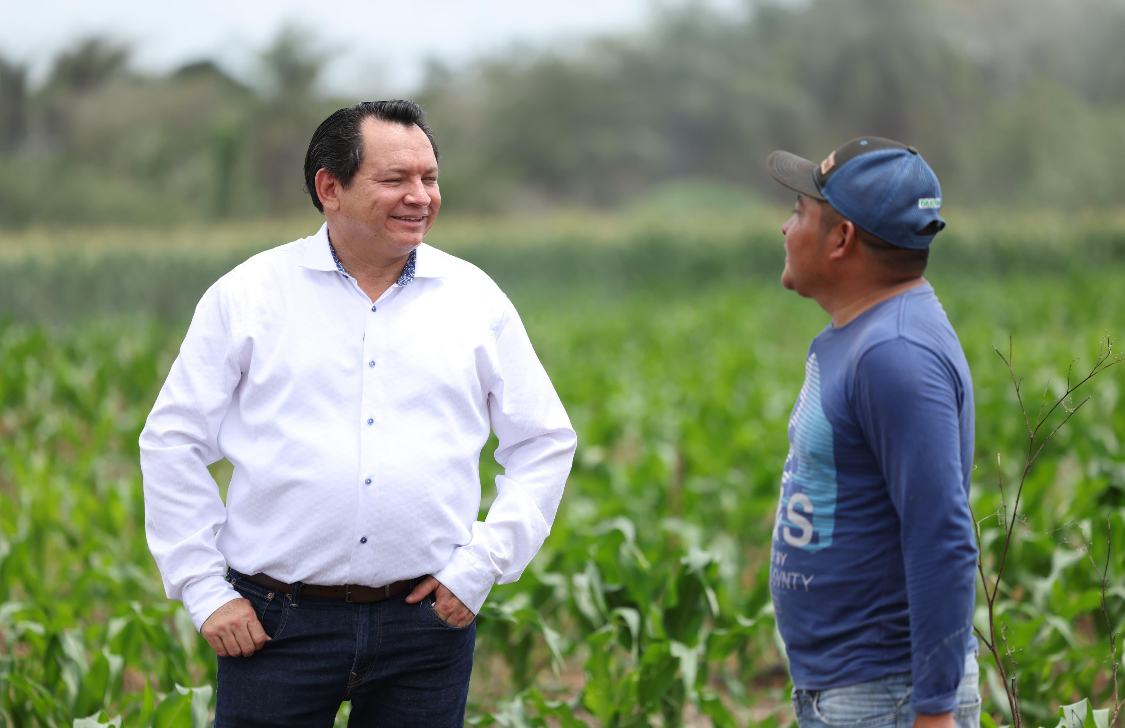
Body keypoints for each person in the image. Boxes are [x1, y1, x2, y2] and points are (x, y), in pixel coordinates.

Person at [140, 100, 577, 727]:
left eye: (429, 178)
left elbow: (543, 440)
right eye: (395, 179)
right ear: (330, 188)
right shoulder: (249, 295)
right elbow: (172, 442)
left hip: (426, 624)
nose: (419, 196)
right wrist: (204, 590)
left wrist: (482, 567)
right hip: (273, 623)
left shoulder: (474, 299)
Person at [765, 137, 980, 728]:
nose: (785, 229)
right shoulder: (864, 334)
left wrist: (934, 711)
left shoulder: (895, 352)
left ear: (842, 239)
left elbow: (942, 536)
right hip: (853, 688)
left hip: (888, 695)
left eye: (800, 213)